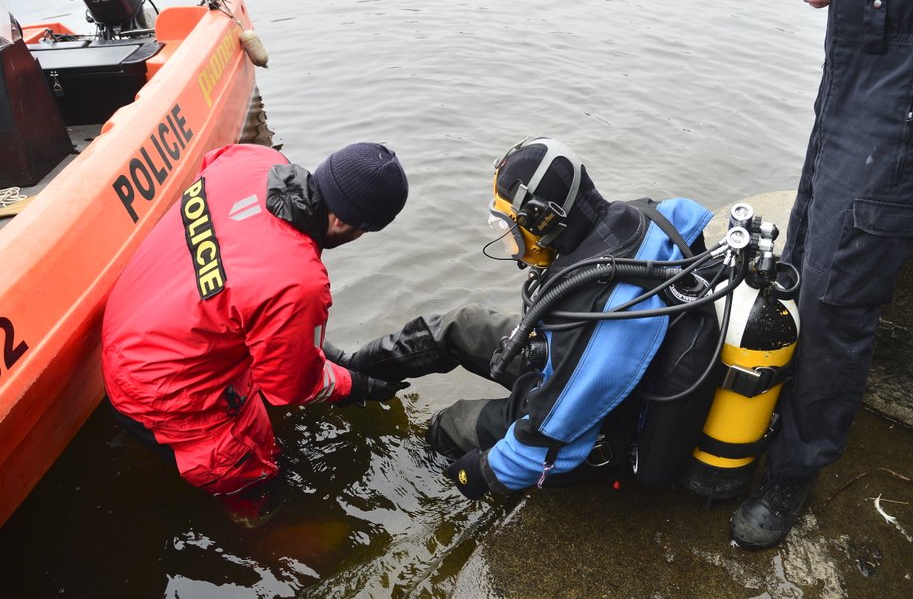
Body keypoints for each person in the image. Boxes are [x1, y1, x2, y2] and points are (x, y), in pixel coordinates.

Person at [730, 0, 913, 549]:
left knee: (836, 297)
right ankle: (761, 422)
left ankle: (794, 470)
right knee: (799, 256)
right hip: (859, 55)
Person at [324, 137, 715, 499]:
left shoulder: (603, 320)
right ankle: (357, 372)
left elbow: (547, 439)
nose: (510, 240)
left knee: (451, 423)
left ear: (542, 220)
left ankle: (419, 479)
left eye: (508, 225)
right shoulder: (654, 217)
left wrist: (480, 473)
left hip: (593, 420)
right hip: (563, 360)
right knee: (460, 325)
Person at [101, 141, 411, 523]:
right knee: (258, 482)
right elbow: (293, 389)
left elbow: (246, 282)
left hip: (125, 329)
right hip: (160, 392)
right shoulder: (300, 282)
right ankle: (256, 525)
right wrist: (355, 385)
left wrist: (321, 350)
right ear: (347, 224)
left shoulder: (254, 159)